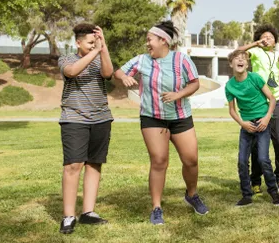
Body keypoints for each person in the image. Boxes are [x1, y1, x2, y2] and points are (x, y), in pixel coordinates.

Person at [114, 20, 209, 225]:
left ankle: (191, 195)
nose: (147, 44)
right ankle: (156, 207)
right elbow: (119, 72)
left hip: (180, 117)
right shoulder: (142, 60)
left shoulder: (182, 60)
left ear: (163, 40)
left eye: (150, 40)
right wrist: (124, 78)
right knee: (159, 161)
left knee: (191, 160)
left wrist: (178, 94)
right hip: (152, 117)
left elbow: (195, 83)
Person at [58, 24, 114, 234]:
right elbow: (72, 72)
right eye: (90, 42)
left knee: (94, 163)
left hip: (101, 118)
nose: (93, 46)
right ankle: (68, 216)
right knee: (73, 165)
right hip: (74, 118)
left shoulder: (100, 57)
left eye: (95, 42)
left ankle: (88, 213)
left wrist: (103, 48)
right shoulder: (66, 59)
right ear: (78, 42)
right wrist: (96, 51)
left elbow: (108, 73)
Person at [225, 49, 279, 207]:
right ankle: (246, 195)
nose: (240, 60)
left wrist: (266, 118)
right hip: (246, 126)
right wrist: (242, 124)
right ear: (231, 64)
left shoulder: (255, 78)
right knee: (242, 161)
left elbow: (271, 99)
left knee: (263, 159)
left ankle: (273, 192)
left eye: (243, 58)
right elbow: (232, 110)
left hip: (263, 123)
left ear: (247, 63)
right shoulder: (229, 86)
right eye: (236, 58)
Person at [236, 24, 279, 194]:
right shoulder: (256, 52)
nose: (267, 39)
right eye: (264, 37)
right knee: (257, 144)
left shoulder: (278, 57)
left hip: (276, 102)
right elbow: (239, 53)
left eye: (270, 37)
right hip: (259, 103)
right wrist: (256, 43)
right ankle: (256, 180)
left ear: (275, 40)